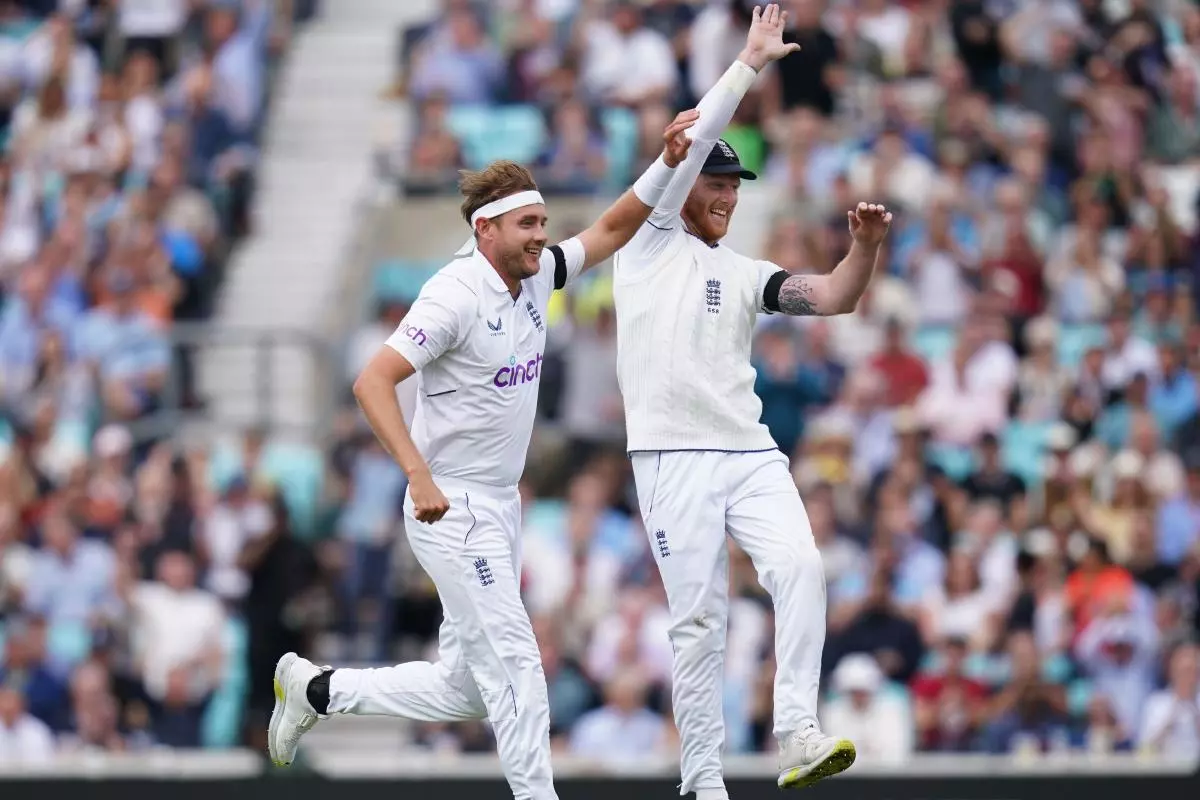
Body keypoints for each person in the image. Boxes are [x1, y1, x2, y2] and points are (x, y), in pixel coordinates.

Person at [264, 106, 700, 800]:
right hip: (450, 505)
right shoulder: (452, 296)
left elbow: (614, 226)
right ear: (484, 229)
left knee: (466, 688)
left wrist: (673, 158)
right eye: (528, 225)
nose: (542, 236)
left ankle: (316, 689)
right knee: (522, 667)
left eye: (543, 224)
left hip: (496, 505)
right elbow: (372, 380)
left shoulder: (532, 277)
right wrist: (417, 473)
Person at [610, 5, 894, 795]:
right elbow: (693, 140)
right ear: (683, 183)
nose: (730, 195)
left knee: (802, 566)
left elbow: (834, 296)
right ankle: (703, 783)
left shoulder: (741, 270)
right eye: (718, 181)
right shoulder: (647, 242)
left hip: (747, 449)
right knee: (700, 624)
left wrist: (864, 248)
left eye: (737, 183)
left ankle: (798, 727)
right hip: (671, 456)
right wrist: (752, 63)